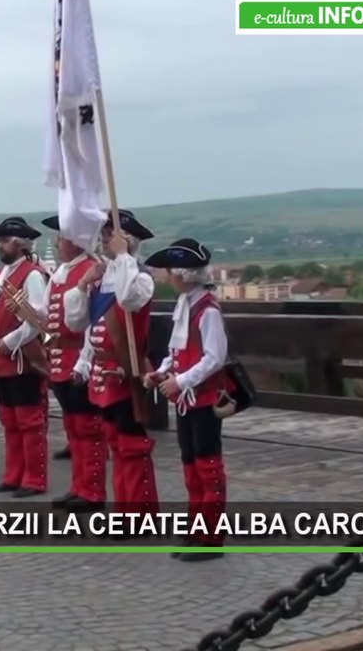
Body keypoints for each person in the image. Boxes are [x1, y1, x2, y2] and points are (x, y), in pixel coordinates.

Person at [141, 237, 228, 562]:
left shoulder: (208, 310)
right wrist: (162, 372)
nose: (167, 277)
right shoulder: (185, 304)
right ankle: (196, 529)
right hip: (186, 400)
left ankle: (211, 536)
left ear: (183, 274)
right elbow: (176, 351)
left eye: (170, 271)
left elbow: (214, 358)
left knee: (208, 466)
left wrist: (181, 381)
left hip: (203, 399)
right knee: (190, 465)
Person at [72, 213, 158, 517]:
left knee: (132, 446)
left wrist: (123, 257)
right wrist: (83, 284)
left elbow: (128, 298)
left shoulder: (140, 277)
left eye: (111, 233)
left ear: (127, 239)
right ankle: (124, 511)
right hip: (104, 374)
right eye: (105, 232)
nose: (105, 237)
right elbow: (79, 323)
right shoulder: (103, 277)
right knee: (116, 444)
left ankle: (139, 515)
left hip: (126, 371)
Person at [0, 217, 49, 497]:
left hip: (20, 356)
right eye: (0, 241)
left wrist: (12, 340)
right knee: (9, 420)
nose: (0, 246)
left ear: (20, 245)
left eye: (5, 241)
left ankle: (34, 479)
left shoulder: (32, 275)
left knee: (28, 421)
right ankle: (13, 475)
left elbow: (37, 319)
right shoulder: (0, 274)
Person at [37, 214, 100, 507]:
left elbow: (90, 324)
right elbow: (46, 316)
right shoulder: (61, 273)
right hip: (59, 358)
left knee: (88, 428)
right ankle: (78, 486)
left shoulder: (90, 270)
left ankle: (93, 491)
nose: (57, 242)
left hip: (78, 359)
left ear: (76, 241)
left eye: (61, 237)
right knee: (73, 427)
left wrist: (84, 363)